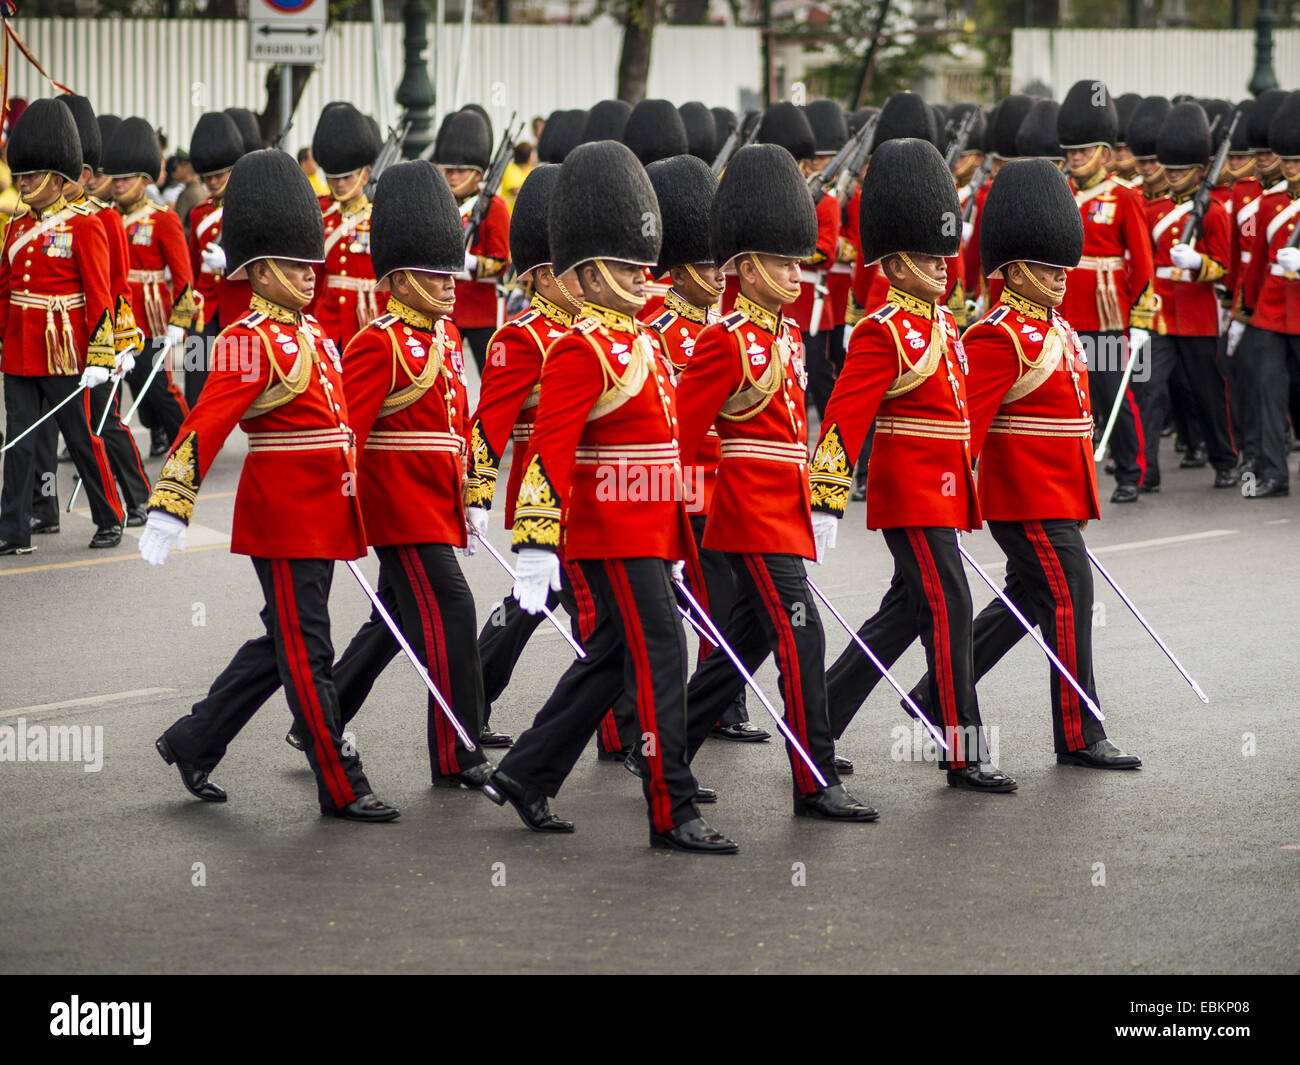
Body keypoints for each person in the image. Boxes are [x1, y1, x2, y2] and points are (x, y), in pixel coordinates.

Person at [485, 140, 737, 854]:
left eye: (641, 262)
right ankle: (672, 806)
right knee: (661, 655)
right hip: (608, 533)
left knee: (613, 658)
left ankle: (527, 771)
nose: (641, 275)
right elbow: (547, 453)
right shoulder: (578, 347)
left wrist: (679, 540)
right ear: (589, 272)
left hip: (650, 531)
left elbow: (666, 446)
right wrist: (534, 543)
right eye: (627, 265)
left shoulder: (646, 342)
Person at [143, 148, 398, 824]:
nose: (308, 277)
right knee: (309, 653)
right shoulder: (249, 338)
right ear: (256, 269)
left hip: (323, 520)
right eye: (291, 266)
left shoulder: (313, 332)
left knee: (280, 644)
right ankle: (340, 782)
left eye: (309, 264)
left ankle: (195, 739)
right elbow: (205, 421)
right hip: (283, 523)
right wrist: (172, 502)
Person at [907, 157, 1141, 770]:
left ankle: (934, 692)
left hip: (1058, 498)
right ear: (1010, 270)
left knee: (1025, 605)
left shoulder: (1057, 328)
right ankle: (1080, 734)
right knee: (1069, 603)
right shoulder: (997, 335)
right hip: (1026, 502)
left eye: (1062, 263)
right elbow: (967, 430)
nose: (1060, 276)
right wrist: (946, 501)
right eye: (1044, 265)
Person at [666, 143, 876, 820]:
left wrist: (818, 494)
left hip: (778, 509)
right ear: (747, 266)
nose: (797, 270)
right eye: (784, 260)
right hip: (750, 513)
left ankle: (664, 752)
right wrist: (662, 524)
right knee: (801, 634)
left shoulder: (782, 335)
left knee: (742, 647)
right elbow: (676, 436)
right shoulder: (724, 339)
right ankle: (814, 781)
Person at [810, 137, 1016, 793]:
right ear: (894, 264)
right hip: (911, 497)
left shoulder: (941, 323)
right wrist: (826, 497)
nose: (942, 265)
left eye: (943, 253)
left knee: (901, 616)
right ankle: (963, 749)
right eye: (928, 257)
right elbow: (843, 416)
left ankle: (814, 726)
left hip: (942, 497)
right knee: (952, 607)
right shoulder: (883, 329)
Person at [288, 160, 496, 792]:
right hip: (398, 508)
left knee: (398, 622)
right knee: (453, 610)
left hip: (435, 500)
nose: (450, 284)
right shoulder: (378, 342)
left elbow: (457, 426)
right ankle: (456, 748)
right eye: (438, 274)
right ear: (403, 279)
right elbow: (346, 430)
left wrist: (470, 489)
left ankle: (323, 717)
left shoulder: (441, 333)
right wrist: (338, 503)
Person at [465, 163, 596, 752]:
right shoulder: (522, 337)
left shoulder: (595, 330)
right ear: (543, 276)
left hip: (594, 496)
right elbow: (488, 427)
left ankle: (467, 703)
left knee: (529, 610)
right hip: (547, 500)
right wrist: (474, 495)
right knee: (586, 616)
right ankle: (619, 734)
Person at [642, 152, 767, 744]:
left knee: (736, 602)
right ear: (676, 270)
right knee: (711, 603)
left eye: (718, 264)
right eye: (702, 264)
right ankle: (711, 707)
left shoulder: (726, 330)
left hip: (731, 485)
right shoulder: (661, 334)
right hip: (692, 488)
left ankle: (713, 702)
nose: (717, 274)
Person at [0, 99, 125, 554]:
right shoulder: (15, 228)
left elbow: (100, 297)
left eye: (30, 176)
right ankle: (12, 529)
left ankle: (110, 516)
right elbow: (6, 290)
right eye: (21, 175)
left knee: (81, 438)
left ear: (56, 178)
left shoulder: (86, 226)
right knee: (19, 444)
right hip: (19, 351)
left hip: (65, 351)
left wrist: (101, 355)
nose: (23, 183)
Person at [30, 94, 152, 534]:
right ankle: (43, 506)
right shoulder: (41, 218)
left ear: (81, 173)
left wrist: (119, 345)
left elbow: (117, 288)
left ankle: (137, 497)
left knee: (103, 424)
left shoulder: (104, 218)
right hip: (52, 342)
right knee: (44, 428)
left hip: (95, 343)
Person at [1055, 79, 1158, 505]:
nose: (1076, 159)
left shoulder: (1124, 196)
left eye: (1083, 151)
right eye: (1072, 152)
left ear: (1103, 151)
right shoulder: (1061, 192)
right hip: (1065, 310)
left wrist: (1141, 318)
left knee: (1112, 392)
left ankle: (1132, 471)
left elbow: (1143, 260)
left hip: (1106, 311)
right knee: (1064, 395)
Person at [1135, 101, 1238, 493]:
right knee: (1148, 388)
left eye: (1181, 170)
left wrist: (1197, 262)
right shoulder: (1153, 208)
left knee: (1207, 394)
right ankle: (1146, 470)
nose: (1174, 176)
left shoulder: (1213, 211)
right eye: (1170, 169)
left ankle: (1225, 461)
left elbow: (1224, 269)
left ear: (1198, 170)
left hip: (1197, 314)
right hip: (1159, 313)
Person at [102, 116, 194, 458]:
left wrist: (179, 322)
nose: (119, 184)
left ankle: (184, 442)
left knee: (156, 386)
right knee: (116, 384)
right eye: (117, 178)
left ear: (144, 178)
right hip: (114, 314)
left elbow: (183, 275)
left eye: (127, 178)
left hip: (149, 317)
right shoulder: (105, 217)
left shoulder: (163, 218)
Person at [1238, 90, 1300, 499]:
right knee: (1268, 391)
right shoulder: (1270, 203)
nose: (1292, 169)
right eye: (1289, 162)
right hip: (1272, 311)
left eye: (1298, 162)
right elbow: (1257, 264)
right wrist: (1244, 312)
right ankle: (1275, 472)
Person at [436, 109, 510, 374]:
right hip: (446, 309)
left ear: (477, 174)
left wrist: (467, 264)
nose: (453, 176)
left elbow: (500, 263)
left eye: (461, 170)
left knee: (491, 376)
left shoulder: (494, 207)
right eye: (450, 170)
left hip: (481, 312)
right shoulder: (439, 205)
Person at [184, 111, 247, 407]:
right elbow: (193, 275)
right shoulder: (199, 214)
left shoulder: (249, 209)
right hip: (206, 310)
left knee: (245, 386)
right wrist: (180, 319)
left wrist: (230, 262)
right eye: (206, 177)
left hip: (241, 307)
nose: (211, 182)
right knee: (196, 382)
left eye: (218, 175)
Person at [307, 103, 382, 352]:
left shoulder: (380, 214)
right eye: (333, 178)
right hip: (326, 318)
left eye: (346, 177)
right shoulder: (319, 212)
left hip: (368, 315)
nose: (339, 185)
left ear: (365, 174)